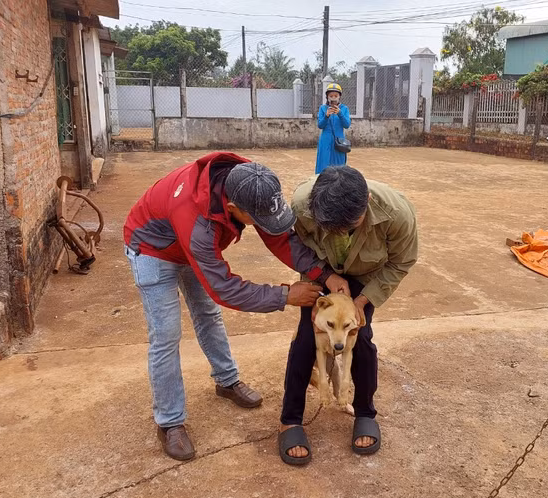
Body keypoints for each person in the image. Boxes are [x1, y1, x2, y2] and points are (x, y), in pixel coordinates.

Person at [123, 152, 350, 461]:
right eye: (255, 220)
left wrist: (324, 274)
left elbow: (280, 238)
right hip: (153, 248)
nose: (263, 225)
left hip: (189, 244)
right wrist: (284, 296)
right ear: (233, 209)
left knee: (208, 316)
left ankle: (226, 381)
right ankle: (170, 422)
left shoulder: (251, 182)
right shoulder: (197, 221)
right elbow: (224, 289)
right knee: (166, 334)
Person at [277, 165, 419, 466]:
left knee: (362, 339)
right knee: (307, 337)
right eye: (332, 228)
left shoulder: (397, 215)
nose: (340, 233)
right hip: (321, 273)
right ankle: (290, 419)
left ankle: (365, 412)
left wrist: (362, 300)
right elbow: (298, 248)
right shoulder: (303, 204)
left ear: (366, 200)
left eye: (348, 226)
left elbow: (401, 262)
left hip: (366, 280)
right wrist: (325, 277)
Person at [315, 83, 352, 174]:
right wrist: (326, 116)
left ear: (339, 97)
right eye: (331, 96)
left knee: (339, 166)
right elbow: (320, 125)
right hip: (325, 140)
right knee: (324, 164)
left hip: (339, 141)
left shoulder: (344, 109)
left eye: (336, 95)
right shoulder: (323, 108)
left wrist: (340, 113)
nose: (333, 98)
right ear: (327, 97)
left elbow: (346, 125)